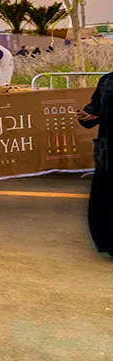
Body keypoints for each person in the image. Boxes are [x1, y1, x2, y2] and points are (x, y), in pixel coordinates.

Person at [76, 73, 113, 257]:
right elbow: (95, 109)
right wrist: (86, 115)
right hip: (107, 150)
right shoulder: (107, 80)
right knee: (107, 197)